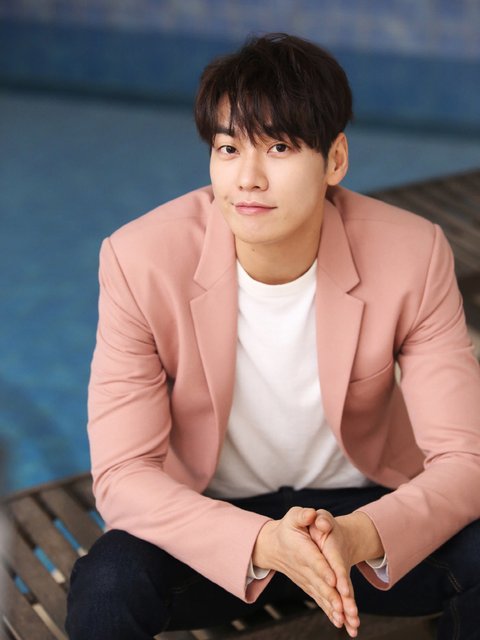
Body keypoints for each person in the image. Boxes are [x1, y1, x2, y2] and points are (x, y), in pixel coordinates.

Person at [66, 33, 480, 640]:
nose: (248, 178)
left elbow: (466, 461)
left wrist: (357, 535)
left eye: (280, 147)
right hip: (213, 522)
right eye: (229, 148)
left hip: (362, 517)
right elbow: (124, 475)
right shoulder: (139, 261)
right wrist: (263, 540)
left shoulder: (413, 254)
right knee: (106, 585)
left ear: (335, 160)